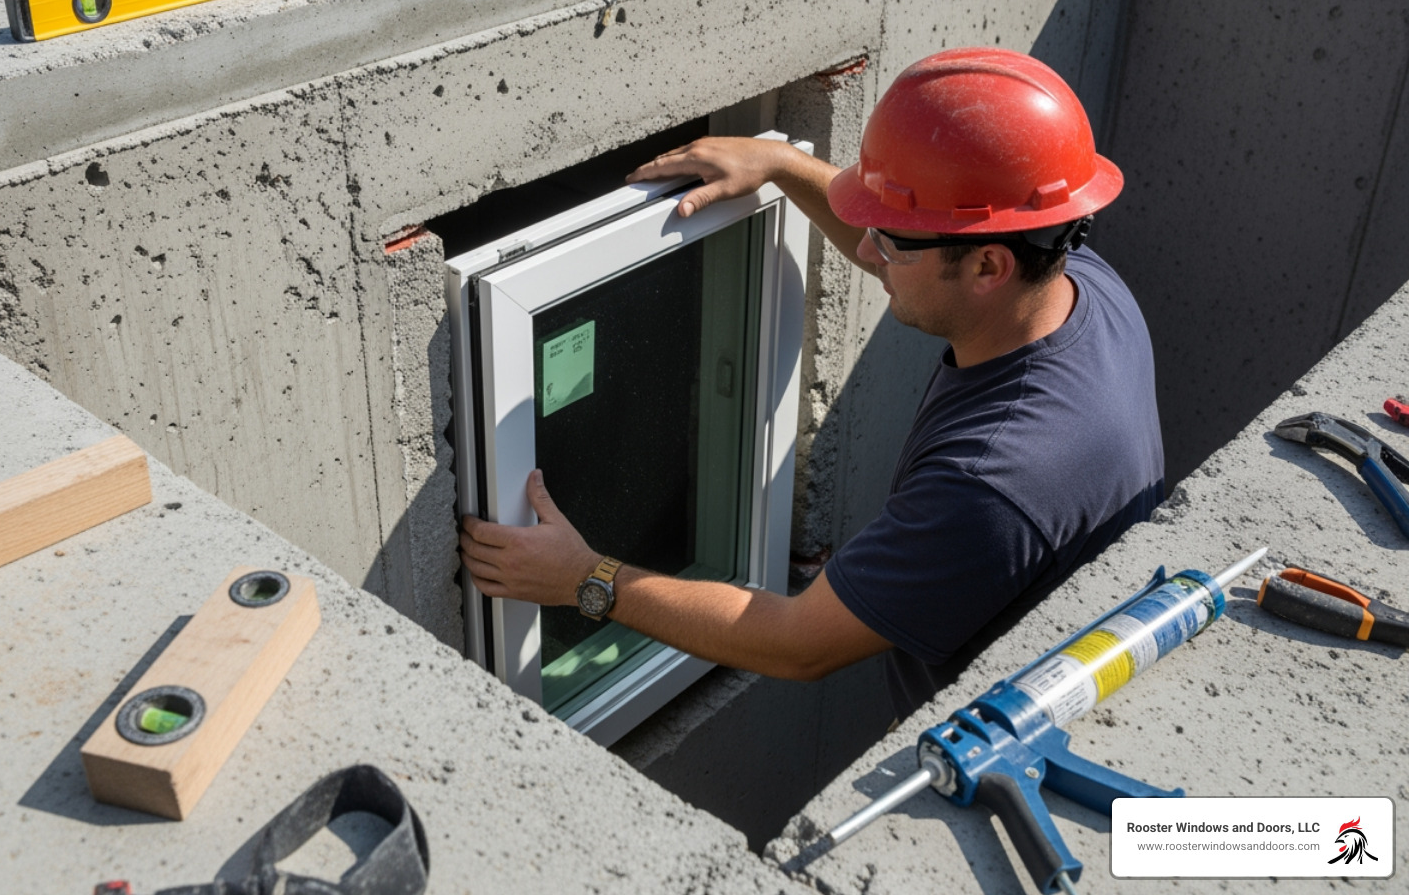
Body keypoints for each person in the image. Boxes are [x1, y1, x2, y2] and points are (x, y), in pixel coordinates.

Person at [458, 48, 1164, 719]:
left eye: (889, 239)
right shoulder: (1080, 285)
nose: (865, 250)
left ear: (988, 268)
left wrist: (587, 579)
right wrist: (781, 164)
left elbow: (800, 643)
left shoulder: (994, 483)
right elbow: (925, 264)